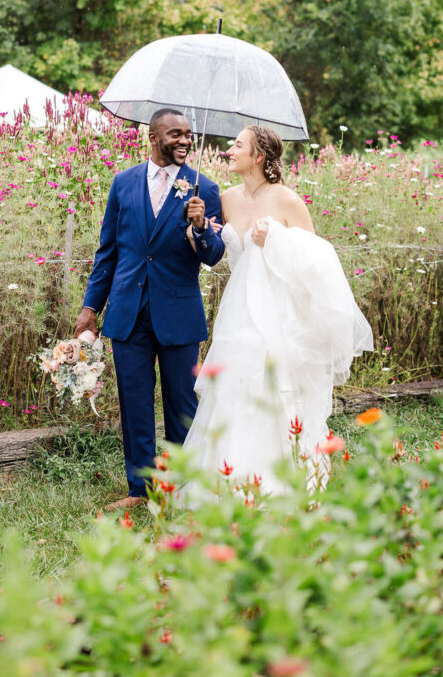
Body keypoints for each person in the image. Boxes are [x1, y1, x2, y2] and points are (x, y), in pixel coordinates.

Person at [183, 125, 373, 497]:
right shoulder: (225, 198)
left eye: (237, 144)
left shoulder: (287, 200)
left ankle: (281, 484)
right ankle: (227, 483)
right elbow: (214, 251)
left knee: (275, 389)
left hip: (281, 315)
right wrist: (198, 230)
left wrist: (275, 240)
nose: (229, 149)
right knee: (236, 388)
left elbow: (320, 262)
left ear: (257, 156)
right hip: (238, 312)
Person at [74, 108, 225, 511]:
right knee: (134, 405)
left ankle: (184, 488)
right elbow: (108, 252)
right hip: (127, 312)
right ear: (152, 138)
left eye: (188, 135)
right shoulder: (123, 184)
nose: (184, 141)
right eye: (175, 134)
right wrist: (91, 308)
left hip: (178, 315)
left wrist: (199, 228)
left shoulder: (204, 188)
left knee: (181, 406)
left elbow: (214, 257)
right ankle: (141, 490)